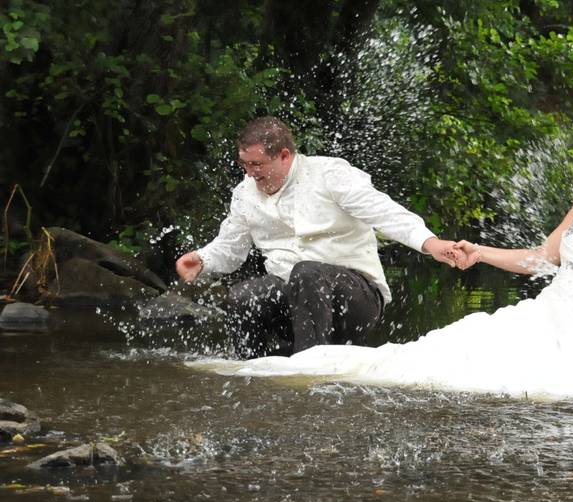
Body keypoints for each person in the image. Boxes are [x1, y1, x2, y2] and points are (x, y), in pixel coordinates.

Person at [193, 123, 573, 398]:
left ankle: (306, 372)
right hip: (550, 309)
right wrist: (476, 251)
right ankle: (279, 370)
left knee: (555, 386)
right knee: (451, 352)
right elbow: (540, 260)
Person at [175, 116, 462, 358]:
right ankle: (250, 371)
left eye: (257, 165)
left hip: (355, 301)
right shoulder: (244, 193)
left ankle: (308, 373)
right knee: (242, 297)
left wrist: (430, 243)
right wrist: (202, 259)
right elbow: (230, 247)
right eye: (244, 165)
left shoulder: (329, 174)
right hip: (293, 298)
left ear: (285, 156)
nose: (250, 174)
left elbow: (383, 212)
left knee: (307, 271)